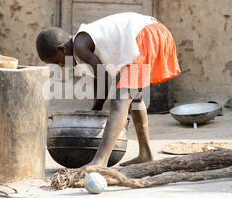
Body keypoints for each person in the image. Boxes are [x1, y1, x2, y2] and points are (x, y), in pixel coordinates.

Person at [36, 12, 181, 167]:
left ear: (62, 50)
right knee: (135, 98)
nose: (62, 66)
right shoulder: (83, 42)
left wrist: (97, 108)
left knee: (120, 101)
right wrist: (96, 107)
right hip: (153, 33)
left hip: (146, 36)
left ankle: (100, 161)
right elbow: (101, 77)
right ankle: (145, 153)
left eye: (58, 62)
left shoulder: (79, 45)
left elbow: (104, 79)